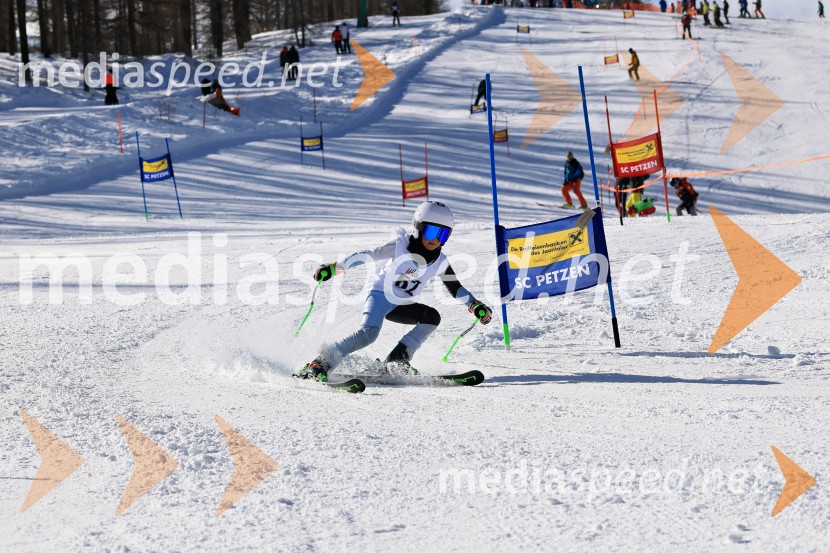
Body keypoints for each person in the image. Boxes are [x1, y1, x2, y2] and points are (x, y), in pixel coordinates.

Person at [295, 201, 493, 381]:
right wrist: (335, 267)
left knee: (431, 317)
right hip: (380, 295)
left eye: (443, 234)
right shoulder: (400, 246)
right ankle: (321, 362)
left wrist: (474, 304)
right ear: (419, 228)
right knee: (369, 334)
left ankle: (397, 361)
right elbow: (369, 255)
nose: (436, 240)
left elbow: (455, 287)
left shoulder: (440, 261)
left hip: (403, 304)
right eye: (432, 232)